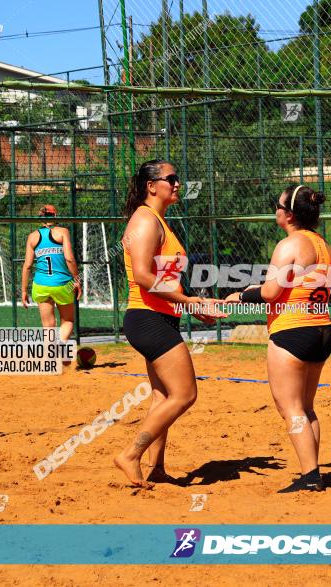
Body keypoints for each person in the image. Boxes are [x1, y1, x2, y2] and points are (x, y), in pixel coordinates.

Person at [113, 159, 226, 488]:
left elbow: (166, 281)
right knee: (185, 394)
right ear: (152, 186)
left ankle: (157, 468)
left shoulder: (158, 220)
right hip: (147, 318)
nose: (177, 184)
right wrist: (188, 302)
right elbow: (143, 276)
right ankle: (130, 455)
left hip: (160, 317)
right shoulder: (145, 220)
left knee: (163, 396)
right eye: (171, 179)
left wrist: (192, 306)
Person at [226, 184, 331, 492]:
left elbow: (272, 292)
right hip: (321, 329)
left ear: (288, 214)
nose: (275, 210)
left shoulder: (290, 244)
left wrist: (242, 295)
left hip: (292, 330)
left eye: (277, 205)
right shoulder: (323, 245)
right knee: (307, 407)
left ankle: (311, 476)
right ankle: (312, 471)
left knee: (291, 408)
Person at [21, 204, 80, 343]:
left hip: (41, 285)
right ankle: (61, 343)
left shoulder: (32, 237)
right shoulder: (62, 232)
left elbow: (28, 265)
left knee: (48, 327)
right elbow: (70, 259)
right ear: (55, 216)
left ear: (40, 218)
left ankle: (51, 359)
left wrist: (24, 290)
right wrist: (77, 279)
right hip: (63, 284)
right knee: (68, 321)